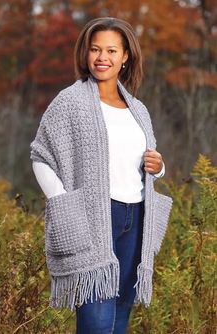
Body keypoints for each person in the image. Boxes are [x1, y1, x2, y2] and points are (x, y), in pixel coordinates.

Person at [30, 17, 173, 334]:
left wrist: (158, 167)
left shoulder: (138, 109)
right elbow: (41, 155)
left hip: (135, 217)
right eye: (95, 49)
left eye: (111, 50)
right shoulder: (71, 102)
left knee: (120, 312)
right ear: (86, 53)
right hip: (94, 215)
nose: (102, 57)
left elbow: (145, 163)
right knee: (96, 316)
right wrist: (62, 202)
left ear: (125, 57)